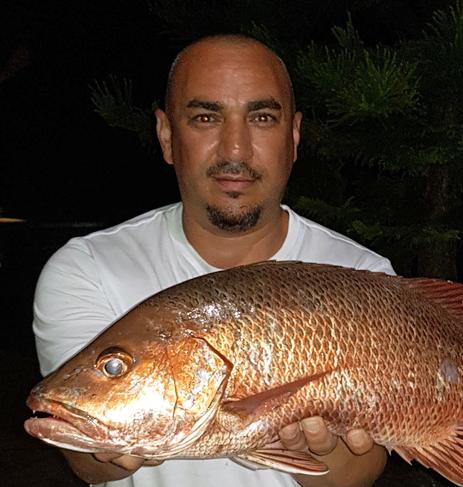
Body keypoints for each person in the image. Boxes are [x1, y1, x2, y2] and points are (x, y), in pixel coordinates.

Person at [32, 34, 394, 487]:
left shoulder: (366, 280)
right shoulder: (87, 268)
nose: (235, 151)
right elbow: (84, 459)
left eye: (262, 117)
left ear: (294, 137)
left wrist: (322, 454)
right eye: (205, 117)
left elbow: (357, 473)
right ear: (167, 136)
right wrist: (108, 443)